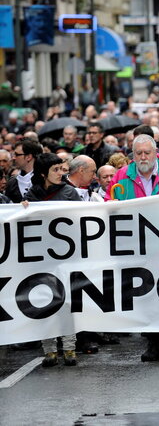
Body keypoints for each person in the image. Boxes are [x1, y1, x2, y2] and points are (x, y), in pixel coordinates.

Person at [106, 134, 159, 361]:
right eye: (139, 153)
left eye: (147, 152)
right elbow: (109, 202)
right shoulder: (122, 176)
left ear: (155, 153)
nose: (143, 157)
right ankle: (152, 342)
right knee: (145, 293)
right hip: (138, 246)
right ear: (132, 155)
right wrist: (111, 205)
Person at [22, 153, 82, 367]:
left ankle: (69, 348)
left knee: (66, 302)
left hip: (66, 257)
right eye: (55, 170)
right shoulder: (32, 195)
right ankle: (49, 349)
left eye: (61, 169)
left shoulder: (69, 193)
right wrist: (23, 210)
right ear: (42, 173)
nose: (60, 173)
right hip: (40, 257)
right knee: (43, 300)